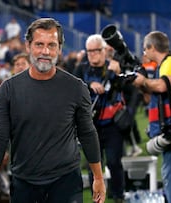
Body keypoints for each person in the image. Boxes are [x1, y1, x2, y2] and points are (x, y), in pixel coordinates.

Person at [0, 18, 106, 203]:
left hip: (66, 182)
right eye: (39, 44)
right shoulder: (8, 89)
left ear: (60, 49)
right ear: (28, 46)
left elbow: (87, 133)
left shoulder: (76, 88)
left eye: (51, 45)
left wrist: (98, 177)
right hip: (24, 182)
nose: (45, 52)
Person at [132, 31, 171, 203]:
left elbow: (161, 86)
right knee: (169, 173)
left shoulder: (170, 62)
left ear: (153, 47)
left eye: (145, 48)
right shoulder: (165, 65)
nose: (144, 53)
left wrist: (143, 81)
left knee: (170, 174)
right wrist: (141, 85)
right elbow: (153, 96)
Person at [73, 34, 125, 202]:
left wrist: (119, 73)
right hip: (90, 125)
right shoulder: (82, 69)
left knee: (114, 161)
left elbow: (129, 89)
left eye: (96, 50)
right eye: (90, 51)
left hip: (112, 123)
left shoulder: (114, 67)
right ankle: (97, 196)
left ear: (104, 50)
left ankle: (118, 194)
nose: (93, 54)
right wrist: (89, 86)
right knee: (92, 164)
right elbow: (72, 90)